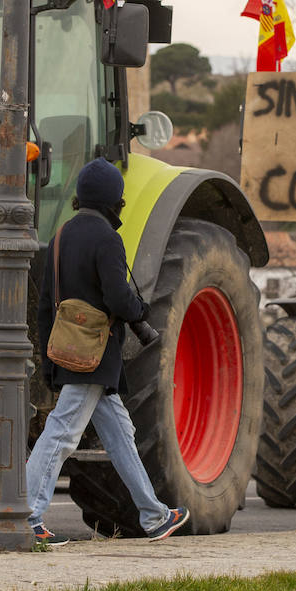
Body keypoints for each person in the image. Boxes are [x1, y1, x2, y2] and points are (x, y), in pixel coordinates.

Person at [26, 158, 190, 546]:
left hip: (69, 349)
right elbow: (118, 296)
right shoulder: (107, 239)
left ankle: (154, 516)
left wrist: (49, 360)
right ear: (114, 201)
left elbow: (46, 304)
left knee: (121, 436)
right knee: (62, 433)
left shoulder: (61, 236)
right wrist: (140, 313)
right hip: (95, 355)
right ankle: (27, 515)